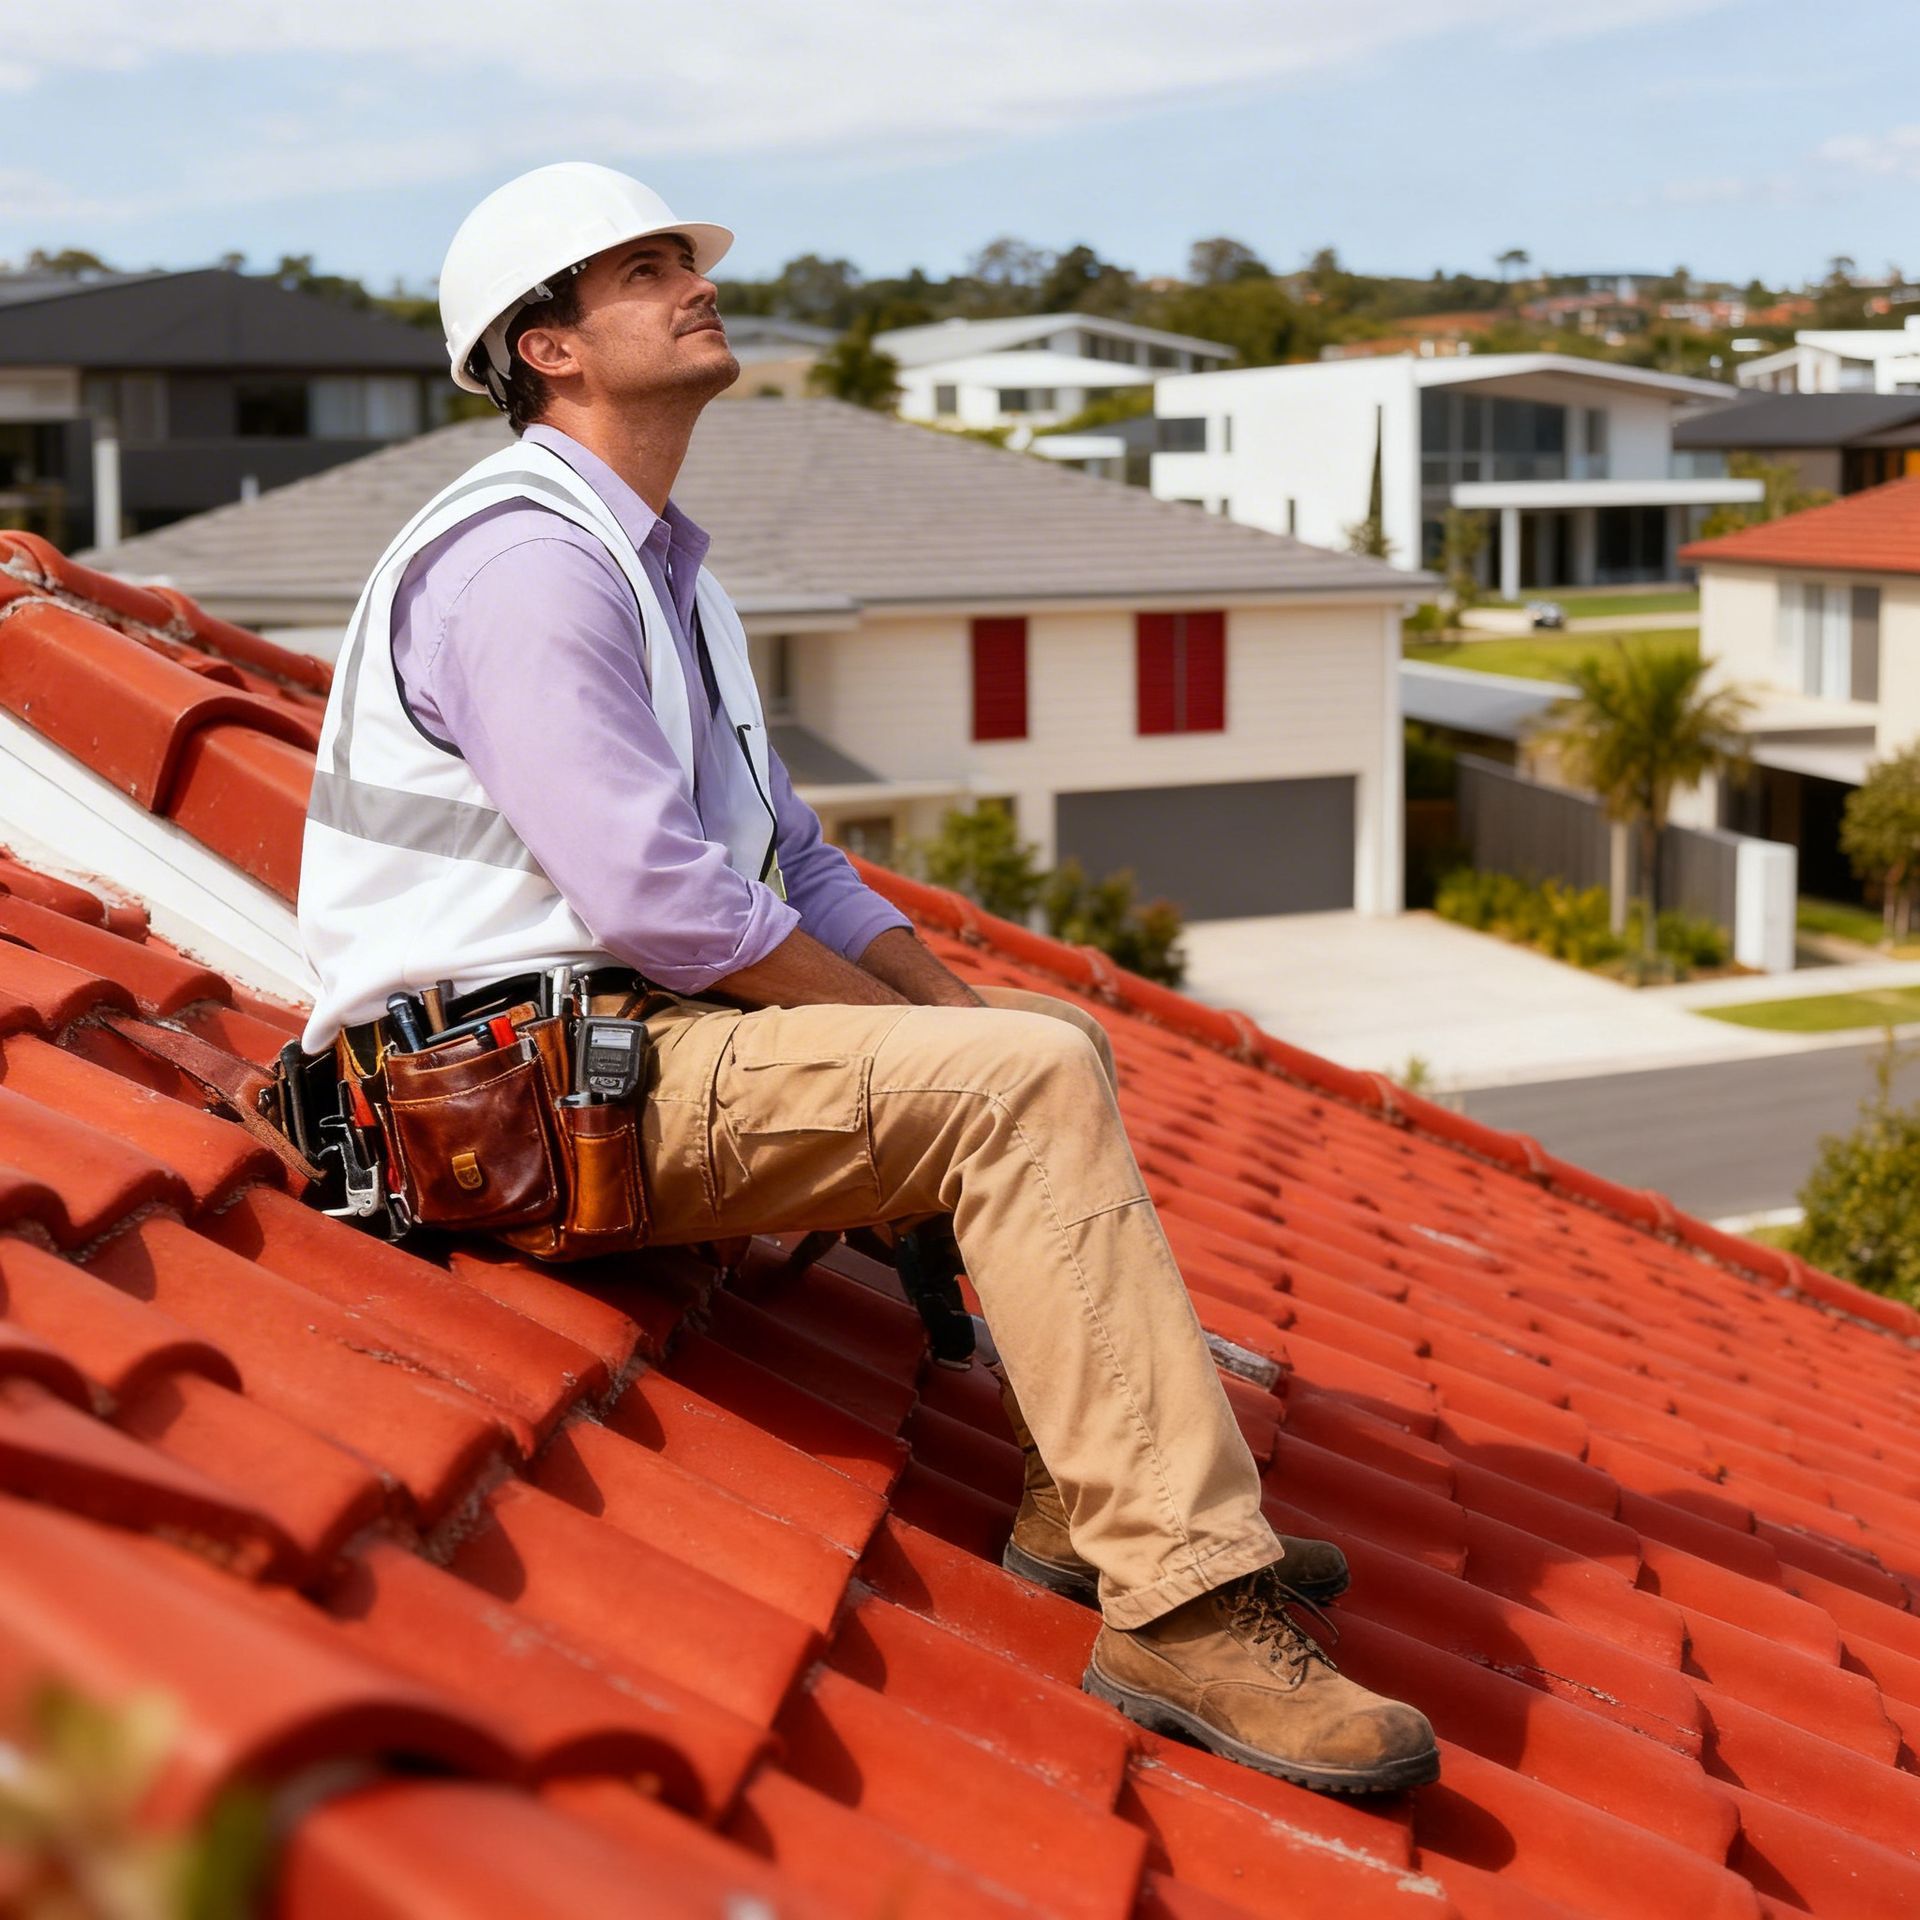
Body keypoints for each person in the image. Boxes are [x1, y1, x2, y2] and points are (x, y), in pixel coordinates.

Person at [297, 163, 1438, 1795]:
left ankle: (1089, 1493)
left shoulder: (665, 569)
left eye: (682, 260)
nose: (695, 282)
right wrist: (948, 1053)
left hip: (612, 1060)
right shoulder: (524, 568)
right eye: (640, 271)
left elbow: (793, 862)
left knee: (1028, 1049)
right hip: (493, 1102)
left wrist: (951, 1019)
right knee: (1018, 1083)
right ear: (544, 347)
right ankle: (1182, 1608)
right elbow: (661, 900)